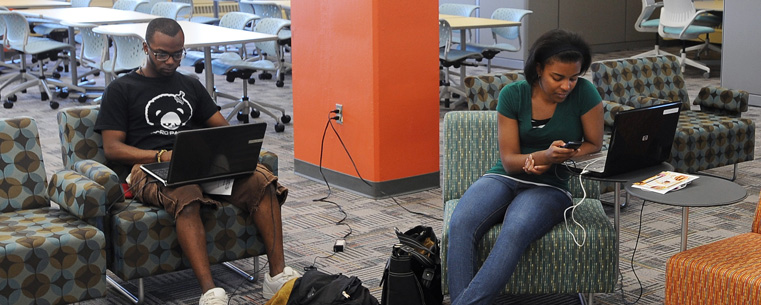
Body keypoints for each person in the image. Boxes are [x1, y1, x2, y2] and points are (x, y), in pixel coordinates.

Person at [94, 18, 299, 305]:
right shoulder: (122, 88)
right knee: (185, 192)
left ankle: (277, 276)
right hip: (147, 169)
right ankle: (210, 292)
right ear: (145, 48)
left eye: (177, 54)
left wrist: (235, 146)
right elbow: (113, 148)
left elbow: (222, 129)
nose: (170, 61)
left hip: (199, 165)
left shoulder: (189, 85)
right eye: (161, 54)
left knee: (261, 181)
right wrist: (161, 156)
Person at [446, 29, 604, 305]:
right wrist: (544, 155)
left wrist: (562, 156)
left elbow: (594, 143)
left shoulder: (585, 93)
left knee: (516, 228)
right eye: (558, 78)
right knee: (460, 224)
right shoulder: (513, 95)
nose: (567, 86)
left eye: (573, 78)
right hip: (505, 176)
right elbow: (509, 160)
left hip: (551, 186)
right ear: (539, 69)